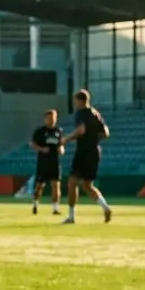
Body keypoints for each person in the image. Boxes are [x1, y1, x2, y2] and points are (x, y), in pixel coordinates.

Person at [59, 89, 111, 224]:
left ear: (81, 101)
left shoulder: (81, 113)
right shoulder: (95, 113)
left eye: (76, 101)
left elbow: (81, 130)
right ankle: (105, 207)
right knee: (88, 185)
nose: (75, 103)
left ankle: (71, 216)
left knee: (72, 182)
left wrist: (67, 139)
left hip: (83, 151)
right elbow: (105, 133)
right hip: (95, 151)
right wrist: (93, 139)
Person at [29, 109, 64, 215]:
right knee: (40, 185)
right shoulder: (40, 131)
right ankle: (35, 204)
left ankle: (55, 208)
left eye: (53, 118)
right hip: (43, 162)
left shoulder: (58, 131)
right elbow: (32, 144)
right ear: (45, 119)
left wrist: (61, 149)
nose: (51, 120)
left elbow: (61, 144)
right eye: (49, 118)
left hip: (55, 162)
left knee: (56, 185)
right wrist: (42, 149)